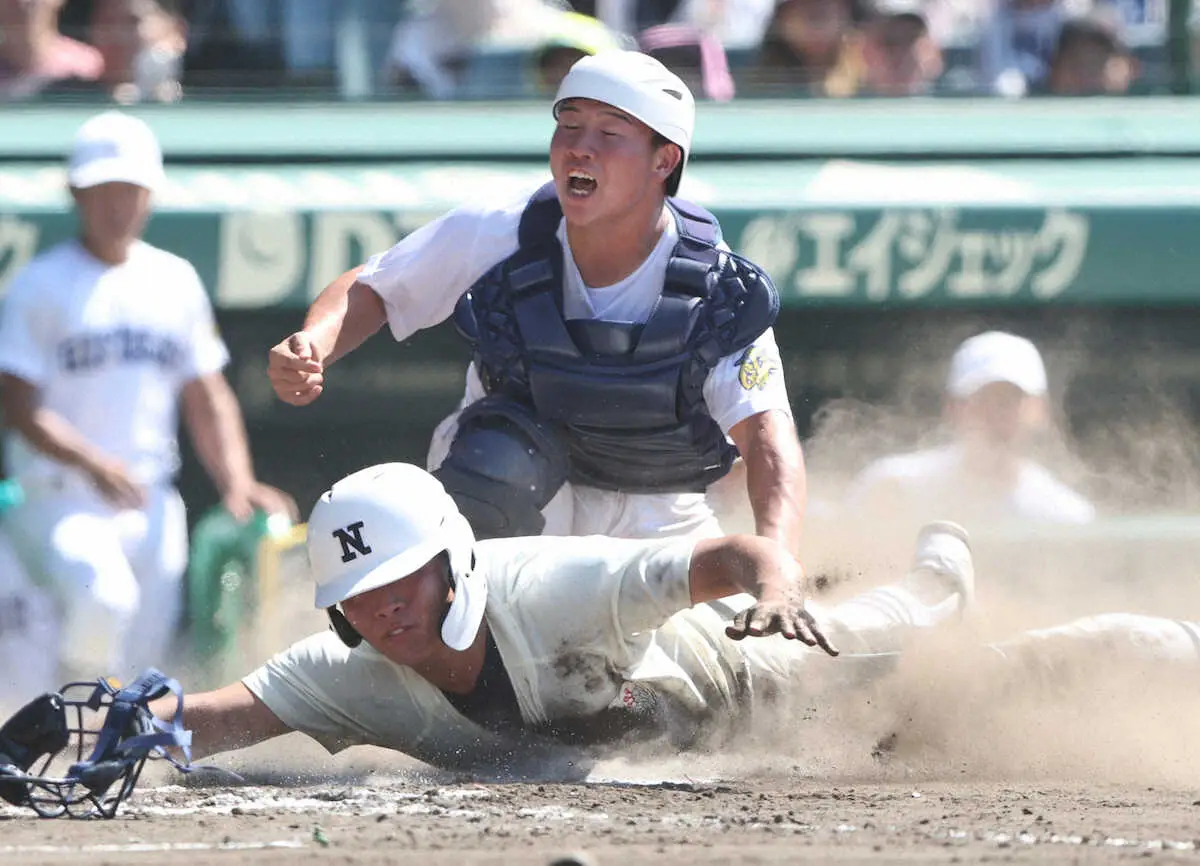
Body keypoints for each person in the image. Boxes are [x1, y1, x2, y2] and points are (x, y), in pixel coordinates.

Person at [268, 50, 805, 559]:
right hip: (518, 484)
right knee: (494, 467)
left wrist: (777, 554)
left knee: (708, 645)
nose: (579, 147)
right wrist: (315, 342)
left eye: (610, 133)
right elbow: (375, 286)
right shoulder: (504, 231)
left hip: (658, 504)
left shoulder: (716, 285)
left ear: (664, 160)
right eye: (568, 126)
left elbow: (766, 437)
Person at [146, 461, 983, 771]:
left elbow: (734, 557)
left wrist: (776, 591)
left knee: (887, 639)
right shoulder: (342, 677)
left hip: (738, 669)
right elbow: (214, 718)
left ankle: (938, 577)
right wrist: (103, 727)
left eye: (403, 578)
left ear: (451, 563)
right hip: (667, 741)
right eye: (359, 596)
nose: (385, 607)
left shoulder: (558, 584)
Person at [0, 110, 296, 689]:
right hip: (59, 499)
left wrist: (236, 480)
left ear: (151, 194)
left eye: (129, 190)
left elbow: (206, 393)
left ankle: (113, 752)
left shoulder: (174, 279)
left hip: (152, 500)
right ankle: (72, 723)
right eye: (102, 190)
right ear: (76, 194)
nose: (116, 205)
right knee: (103, 597)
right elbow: (17, 402)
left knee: (143, 656)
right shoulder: (39, 284)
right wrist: (92, 462)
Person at [844, 330, 1095, 540]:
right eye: (983, 400)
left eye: (1011, 400)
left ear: (1040, 410)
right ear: (953, 408)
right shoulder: (893, 487)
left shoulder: (1066, 517)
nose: (996, 414)